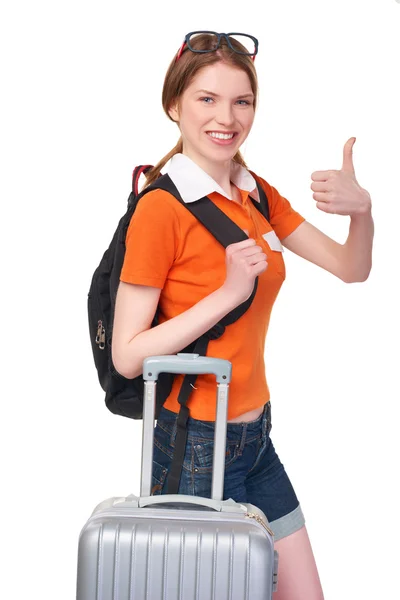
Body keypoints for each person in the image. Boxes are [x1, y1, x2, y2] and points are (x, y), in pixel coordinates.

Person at [111, 32, 374, 600]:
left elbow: (351, 269)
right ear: (174, 105)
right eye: (206, 99)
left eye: (241, 101)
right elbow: (129, 355)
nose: (226, 117)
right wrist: (229, 292)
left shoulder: (255, 193)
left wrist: (363, 213)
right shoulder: (161, 209)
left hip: (256, 438)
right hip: (194, 446)